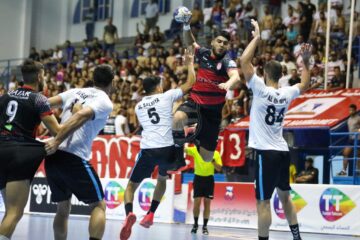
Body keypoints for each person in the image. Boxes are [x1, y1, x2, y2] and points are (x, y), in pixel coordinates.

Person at [240, 19, 311, 240]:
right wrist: (306, 63)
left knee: (263, 202)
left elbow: (243, 60)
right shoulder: (286, 93)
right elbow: (305, 84)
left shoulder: (259, 88)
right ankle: (297, 237)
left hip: (265, 153)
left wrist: (257, 38)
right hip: (282, 151)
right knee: (285, 198)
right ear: (280, 76)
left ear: (265, 74)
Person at [119, 50, 196, 240]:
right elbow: (190, 83)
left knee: (130, 186)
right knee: (162, 179)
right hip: (168, 149)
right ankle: (151, 213)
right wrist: (190, 63)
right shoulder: (166, 96)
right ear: (159, 87)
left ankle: (129, 213)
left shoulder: (138, 106)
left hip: (148, 150)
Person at [44, 65, 114, 240]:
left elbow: (43, 104)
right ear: (112, 83)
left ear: (93, 78)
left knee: (62, 208)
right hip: (73, 157)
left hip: (54, 157)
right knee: (98, 206)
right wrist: (57, 139)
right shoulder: (104, 100)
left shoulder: (75, 92)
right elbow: (81, 116)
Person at [170, 13, 240, 172]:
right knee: (177, 119)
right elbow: (190, 42)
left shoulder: (227, 61)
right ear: (213, 42)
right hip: (195, 102)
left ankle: (196, 138)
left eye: (225, 43)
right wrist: (187, 25)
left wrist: (228, 83)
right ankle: (179, 158)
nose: (222, 44)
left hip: (212, 113)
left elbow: (235, 76)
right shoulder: (204, 53)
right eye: (219, 41)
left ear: (228, 46)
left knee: (207, 157)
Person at [0, 60, 60, 240]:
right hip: (19, 154)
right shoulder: (39, 99)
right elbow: (57, 131)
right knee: (15, 212)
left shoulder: (6, 95)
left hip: (1, 149)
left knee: (8, 210)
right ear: (40, 76)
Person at [187, 145, 222, 235]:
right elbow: (185, 150)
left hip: (209, 180)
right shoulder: (195, 150)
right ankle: (195, 225)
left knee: (207, 203)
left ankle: (205, 227)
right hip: (198, 179)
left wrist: (212, 160)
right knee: (197, 202)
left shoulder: (216, 153)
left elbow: (219, 168)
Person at [337, 104, 360, 176]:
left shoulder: (358, 118)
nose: (350, 112)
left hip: (358, 139)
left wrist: (358, 131)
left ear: (355, 110)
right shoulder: (349, 119)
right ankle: (344, 171)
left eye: (352, 110)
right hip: (351, 139)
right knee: (345, 153)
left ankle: (358, 171)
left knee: (358, 155)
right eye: (349, 110)